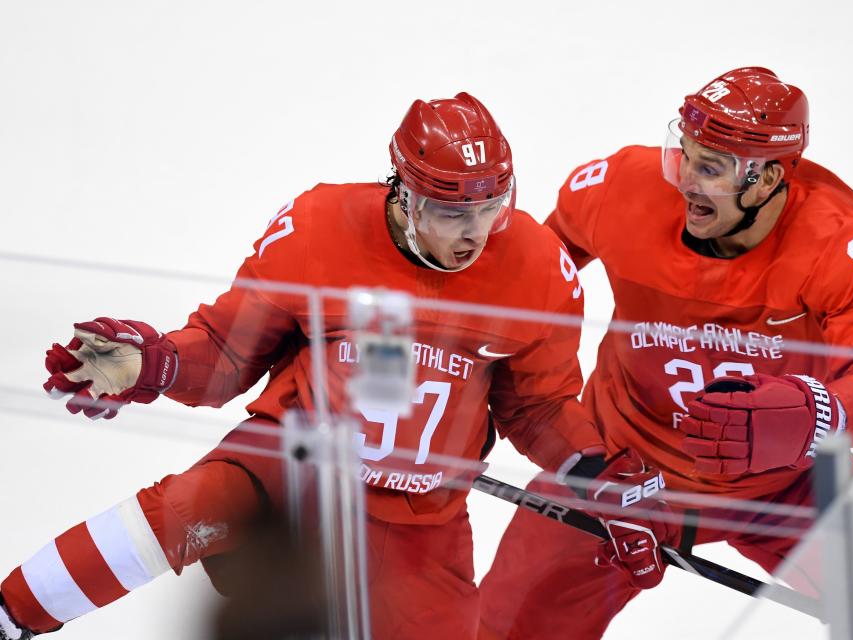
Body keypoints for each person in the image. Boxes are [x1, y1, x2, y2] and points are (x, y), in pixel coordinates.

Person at [0, 92, 675, 640]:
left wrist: (599, 473)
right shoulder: (320, 228)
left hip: (422, 515)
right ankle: (10, 613)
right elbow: (230, 351)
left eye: (491, 207)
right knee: (182, 510)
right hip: (292, 469)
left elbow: (538, 405)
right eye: (451, 210)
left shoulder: (537, 271)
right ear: (404, 195)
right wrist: (155, 363)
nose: (476, 231)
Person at [478, 68, 853, 639]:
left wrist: (817, 413)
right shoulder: (620, 190)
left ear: (766, 179)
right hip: (617, 473)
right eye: (684, 156)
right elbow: (523, 282)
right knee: (502, 631)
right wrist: (462, 376)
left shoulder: (842, 243)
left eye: (710, 168)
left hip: (786, 482)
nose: (685, 181)